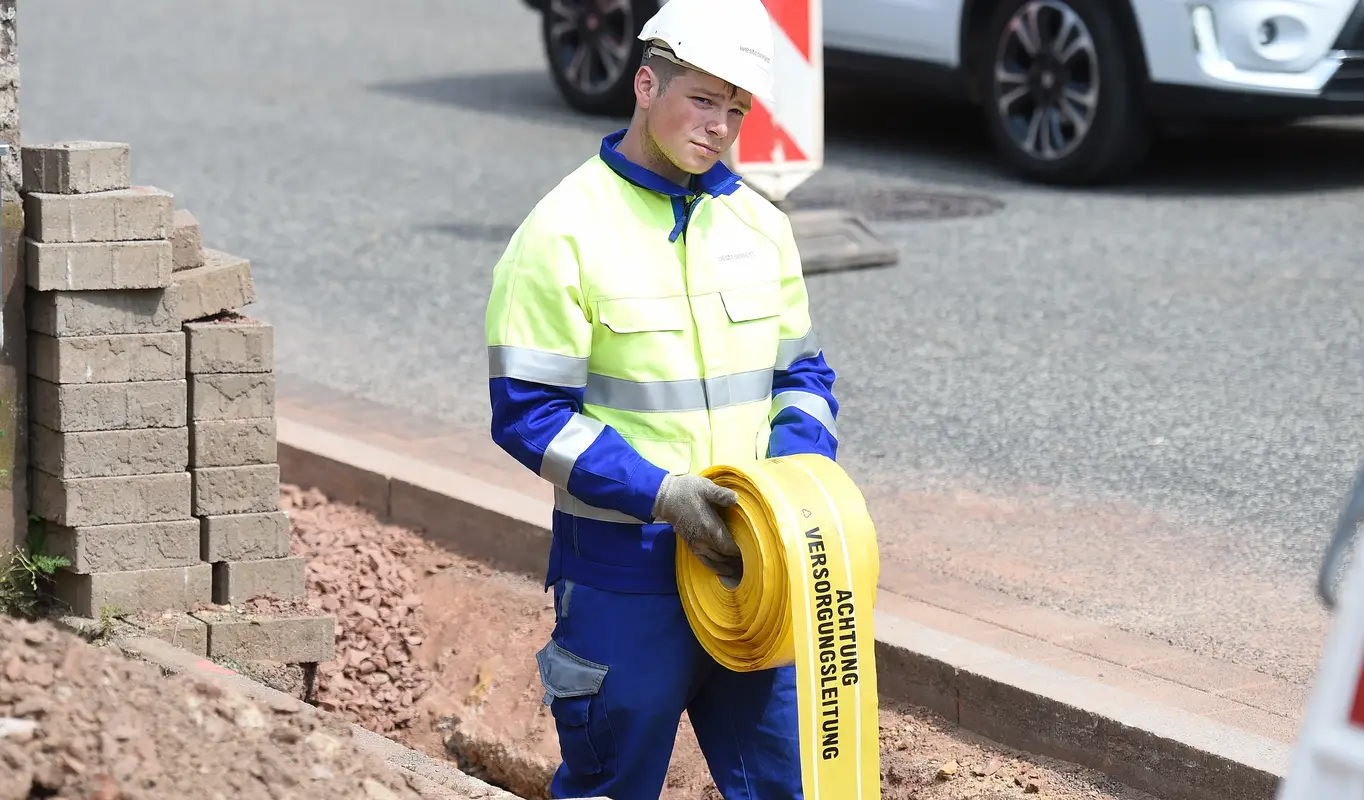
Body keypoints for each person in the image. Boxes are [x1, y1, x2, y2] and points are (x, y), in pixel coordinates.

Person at [484, 0, 839, 795]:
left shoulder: (761, 227)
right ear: (646, 83)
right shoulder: (562, 231)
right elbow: (529, 414)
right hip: (623, 577)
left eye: (737, 108)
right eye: (703, 99)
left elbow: (802, 377)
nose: (720, 125)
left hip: (752, 568)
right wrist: (663, 494)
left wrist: (790, 482)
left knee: (792, 785)